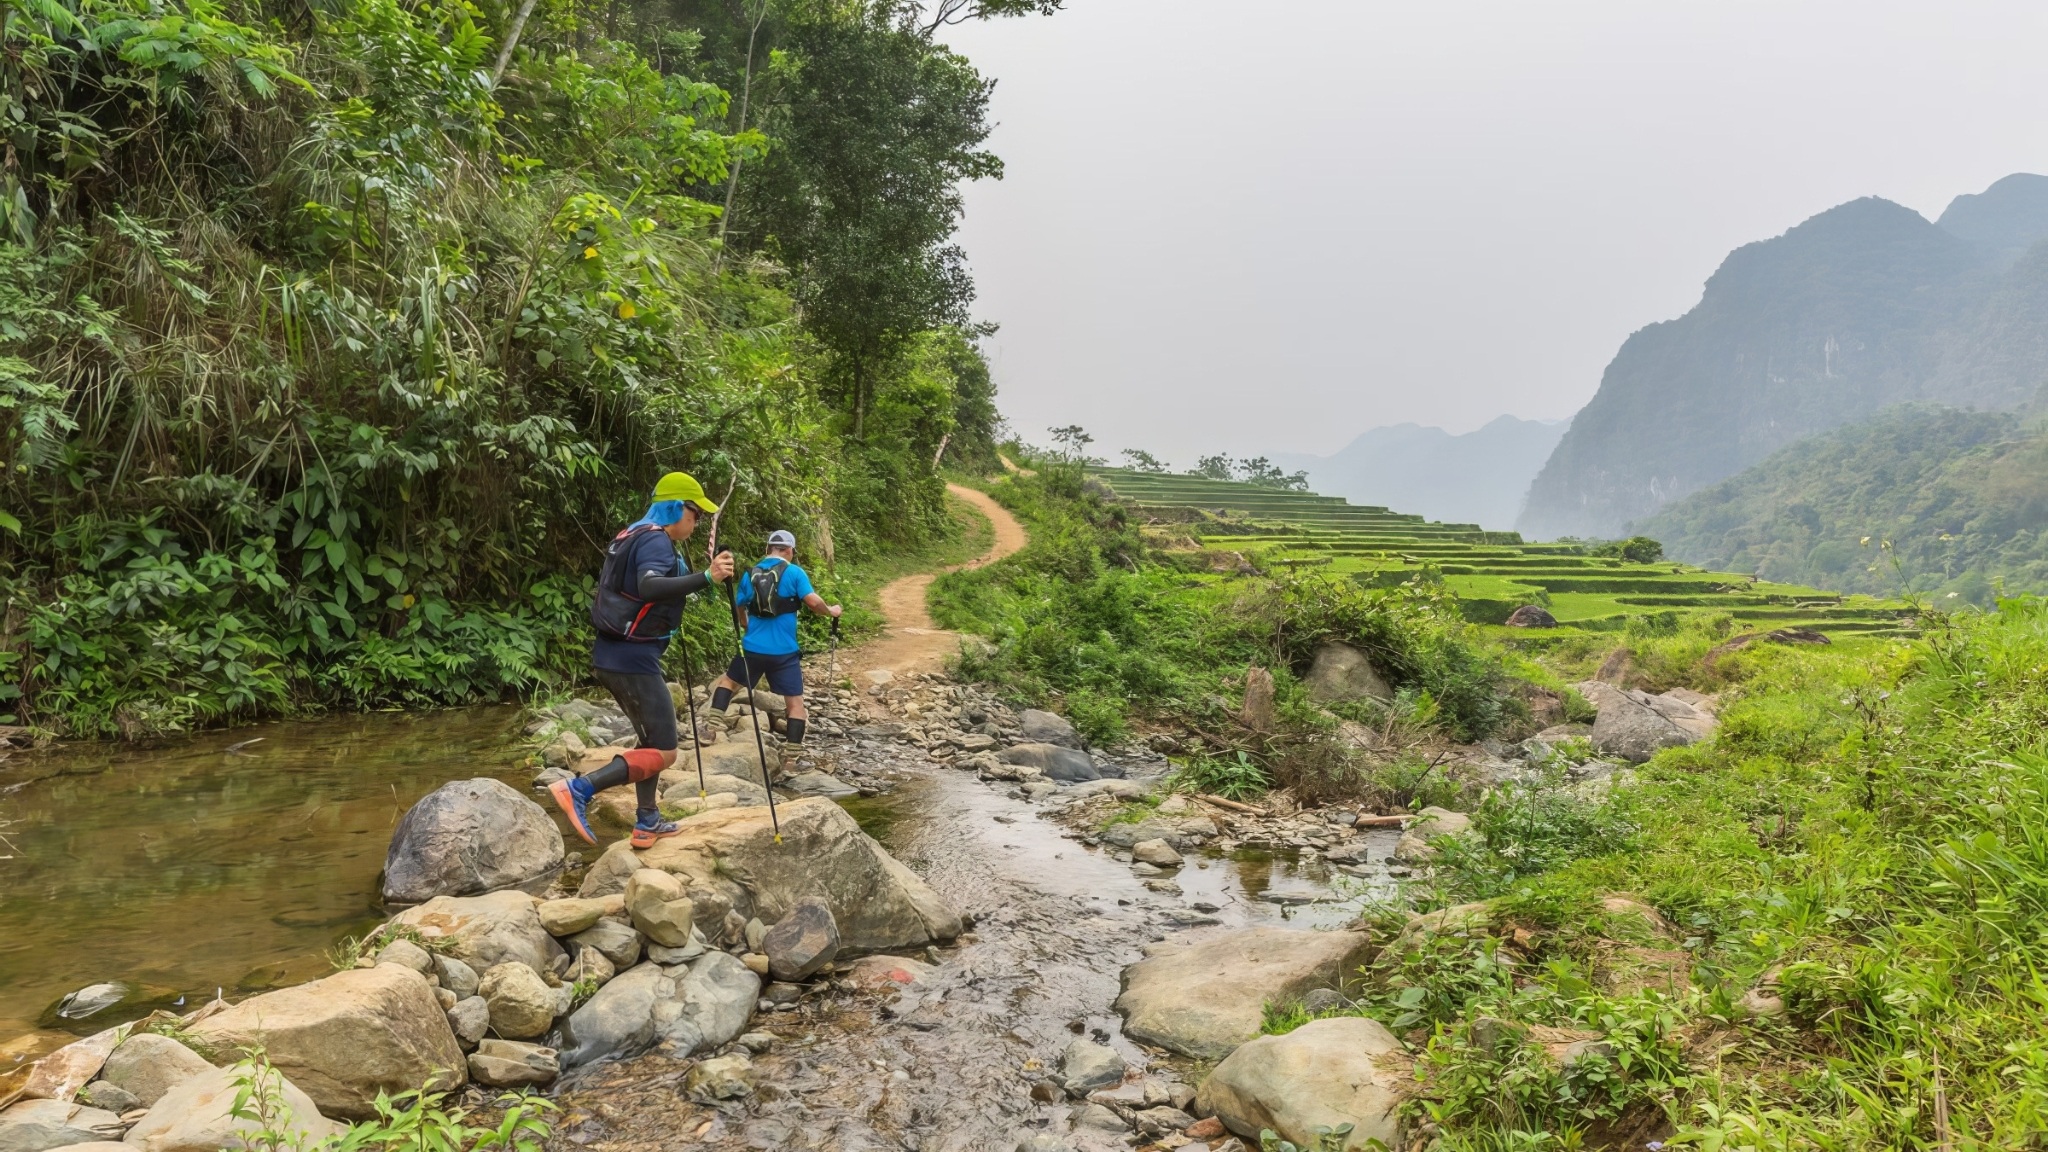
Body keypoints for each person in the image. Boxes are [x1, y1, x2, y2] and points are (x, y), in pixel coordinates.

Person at [551, 472, 734, 849]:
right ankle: (580, 789)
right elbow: (650, 585)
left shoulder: (634, 533)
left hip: (615, 654)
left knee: (650, 740)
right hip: (631, 658)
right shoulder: (655, 539)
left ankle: (647, 820)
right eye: (694, 513)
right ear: (675, 507)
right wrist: (708, 577)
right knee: (666, 751)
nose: (696, 521)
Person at [709, 530, 841, 775]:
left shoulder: (750, 574)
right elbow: (812, 602)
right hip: (784, 653)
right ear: (789, 550)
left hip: (752, 648)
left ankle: (711, 728)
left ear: (768, 547)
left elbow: (739, 604)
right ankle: (791, 759)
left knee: (729, 682)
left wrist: (745, 623)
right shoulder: (794, 572)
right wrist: (831, 611)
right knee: (795, 704)